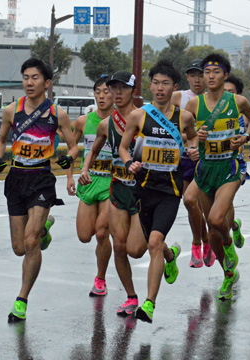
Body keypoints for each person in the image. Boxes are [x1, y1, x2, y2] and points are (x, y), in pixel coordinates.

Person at [0, 58, 78, 322]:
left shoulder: (56, 113)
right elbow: (2, 138)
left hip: (41, 177)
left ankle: (21, 300)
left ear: (47, 82)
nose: (29, 82)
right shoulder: (11, 110)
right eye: (26, 77)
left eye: (35, 78)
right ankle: (43, 231)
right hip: (16, 178)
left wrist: (68, 158)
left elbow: (74, 146)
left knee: (30, 242)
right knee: (20, 248)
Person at [119, 60, 199, 322]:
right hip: (143, 190)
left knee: (153, 242)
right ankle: (169, 255)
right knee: (135, 250)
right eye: (156, 83)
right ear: (150, 85)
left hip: (170, 191)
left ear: (175, 87)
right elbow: (123, 147)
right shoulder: (139, 115)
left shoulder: (184, 117)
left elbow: (194, 137)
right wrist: (130, 162)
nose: (160, 88)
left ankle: (149, 304)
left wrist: (194, 149)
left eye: (166, 83)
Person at [185, 53, 250, 301]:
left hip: (229, 167)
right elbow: (184, 134)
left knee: (217, 219)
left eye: (216, 72)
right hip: (206, 168)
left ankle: (229, 248)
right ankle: (228, 273)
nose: (211, 76)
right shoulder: (194, 105)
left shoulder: (238, 101)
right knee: (212, 230)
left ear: (225, 75)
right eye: (206, 72)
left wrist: (246, 137)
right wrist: (196, 139)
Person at [79, 70, 146, 317]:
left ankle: (166, 253)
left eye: (122, 89)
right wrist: (84, 169)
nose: (117, 93)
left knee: (136, 249)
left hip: (142, 192)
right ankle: (131, 297)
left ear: (133, 91)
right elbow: (93, 151)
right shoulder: (107, 124)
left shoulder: (146, 119)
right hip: (117, 188)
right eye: (113, 88)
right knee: (118, 246)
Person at [67, 75, 114, 296]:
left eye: (106, 91)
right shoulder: (84, 121)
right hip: (88, 181)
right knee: (85, 236)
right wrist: (69, 176)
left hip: (111, 183)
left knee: (102, 233)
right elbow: (72, 148)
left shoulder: (123, 120)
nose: (102, 96)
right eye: (98, 92)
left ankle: (100, 279)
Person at [172, 59, 215, 269]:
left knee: (204, 206)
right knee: (190, 203)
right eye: (193, 75)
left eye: (201, 75)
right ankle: (201, 242)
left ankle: (206, 241)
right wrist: (189, 137)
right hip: (185, 160)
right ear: (187, 77)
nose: (197, 80)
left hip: (210, 160)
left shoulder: (215, 100)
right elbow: (169, 125)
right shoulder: (179, 97)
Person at [223, 74, 250, 249]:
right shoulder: (214, 113)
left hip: (237, 164)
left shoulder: (242, 113)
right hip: (216, 163)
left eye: (231, 92)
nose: (227, 95)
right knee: (222, 203)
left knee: (226, 201)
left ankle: (227, 239)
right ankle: (234, 227)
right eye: (224, 91)